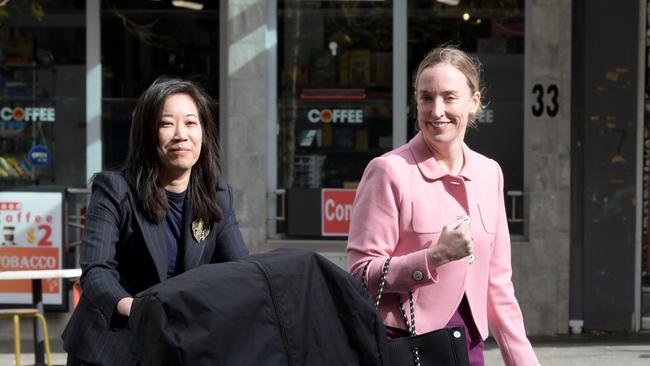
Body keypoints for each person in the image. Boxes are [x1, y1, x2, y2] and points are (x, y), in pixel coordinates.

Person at [347, 46, 540, 366]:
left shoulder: (489, 173)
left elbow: (499, 284)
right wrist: (432, 258)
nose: (436, 110)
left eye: (449, 97)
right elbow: (360, 272)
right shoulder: (389, 171)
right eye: (426, 97)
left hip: (469, 345)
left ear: (474, 102)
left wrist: (522, 360)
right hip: (407, 346)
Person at [62, 76, 249, 366]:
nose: (180, 135)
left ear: (204, 133)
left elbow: (240, 273)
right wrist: (136, 309)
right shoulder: (114, 189)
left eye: (190, 123)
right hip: (111, 347)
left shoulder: (218, 197)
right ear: (147, 134)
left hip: (179, 346)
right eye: (166, 124)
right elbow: (96, 270)